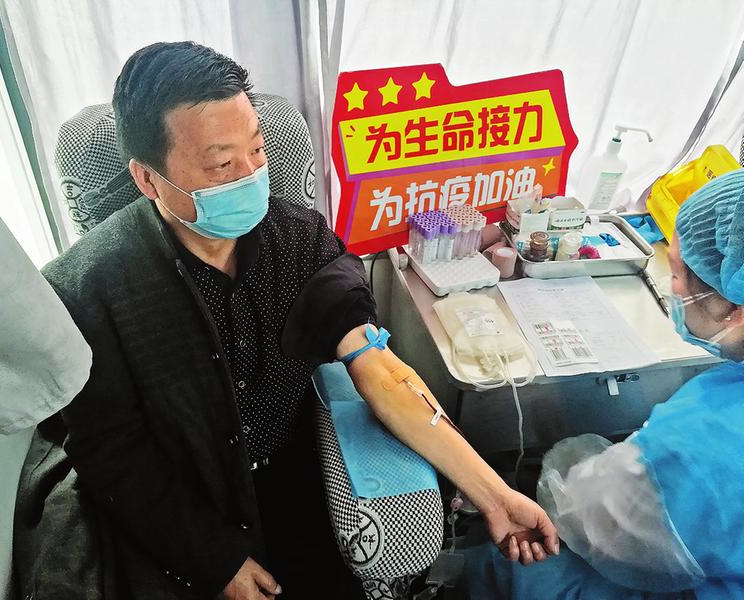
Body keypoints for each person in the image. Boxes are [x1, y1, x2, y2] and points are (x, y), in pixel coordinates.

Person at [34, 41, 558, 600]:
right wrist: (215, 563)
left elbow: (380, 371)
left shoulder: (300, 242)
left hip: (289, 489)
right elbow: (113, 452)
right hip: (178, 509)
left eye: (257, 149)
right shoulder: (87, 291)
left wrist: (493, 495)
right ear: (147, 179)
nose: (250, 175)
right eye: (221, 164)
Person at [465, 168, 744, 599]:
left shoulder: (701, 439)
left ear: (735, 311)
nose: (669, 288)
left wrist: (569, 461)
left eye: (676, 276)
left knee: (512, 560)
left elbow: (601, 531)